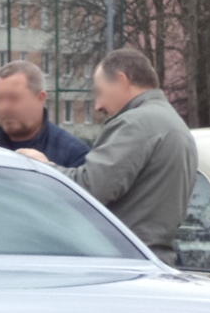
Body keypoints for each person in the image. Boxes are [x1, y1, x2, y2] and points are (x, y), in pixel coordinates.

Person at [49, 49, 196, 266]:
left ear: (121, 80)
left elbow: (88, 188)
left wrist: (44, 168)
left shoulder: (134, 123)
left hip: (124, 262)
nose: (98, 106)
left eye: (99, 92)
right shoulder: (174, 123)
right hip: (157, 260)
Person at [0, 61, 88, 168]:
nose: (4, 107)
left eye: (14, 98)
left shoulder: (74, 156)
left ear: (40, 98)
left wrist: (48, 169)